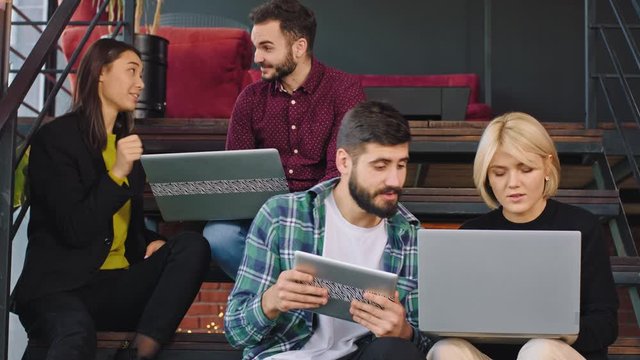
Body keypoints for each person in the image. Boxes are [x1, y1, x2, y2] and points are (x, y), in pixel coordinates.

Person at [11, 38, 211, 360]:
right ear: (101, 72)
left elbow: (118, 231)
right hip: (59, 288)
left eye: (142, 74)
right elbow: (75, 229)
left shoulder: (126, 147)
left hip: (114, 287)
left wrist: (151, 241)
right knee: (75, 334)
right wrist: (117, 171)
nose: (141, 83)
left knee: (192, 246)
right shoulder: (55, 140)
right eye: (132, 71)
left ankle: (138, 354)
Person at [224, 101, 434, 360]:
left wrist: (403, 331)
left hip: (364, 354)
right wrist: (270, 302)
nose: (394, 180)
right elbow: (235, 332)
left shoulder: (410, 234)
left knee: (396, 349)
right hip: (288, 355)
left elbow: (427, 344)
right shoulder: (281, 215)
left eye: (401, 165)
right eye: (380, 166)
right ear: (344, 162)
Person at [426, 112, 619, 360]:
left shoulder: (582, 227)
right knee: (446, 350)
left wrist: (562, 333)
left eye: (525, 169)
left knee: (538, 350)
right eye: (499, 172)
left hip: (555, 354)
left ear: (547, 166)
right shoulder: (473, 233)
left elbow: (606, 323)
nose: (512, 183)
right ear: (487, 176)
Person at [203, 0, 366, 279]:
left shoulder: (343, 90)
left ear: (299, 47)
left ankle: (276, 301)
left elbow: (338, 173)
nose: (257, 57)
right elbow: (236, 177)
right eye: (256, 47)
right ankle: (284, 299)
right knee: (218, 235)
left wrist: (293, 219)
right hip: (261, 216)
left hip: (321, 214)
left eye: (267, 47)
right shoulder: (250, 100)